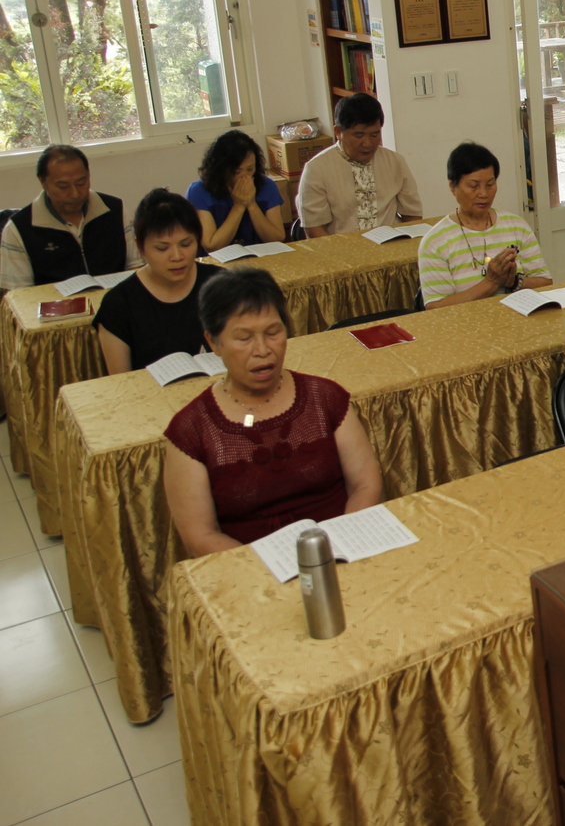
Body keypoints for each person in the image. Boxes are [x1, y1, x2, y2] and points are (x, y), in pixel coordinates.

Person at [162, 267, 382, 555]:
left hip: (340, 549)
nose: (263, 349)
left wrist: (335, 549)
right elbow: (199, 535)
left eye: (273, 332)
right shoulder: (191, 430)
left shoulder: (325, 398)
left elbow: (366, 484)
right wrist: (267, 567)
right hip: (252, 569)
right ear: (213, 342)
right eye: (244, 338)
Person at [96, 190, 224, 373]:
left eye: (186, 244)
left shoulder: (221, 285)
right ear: (140, 247)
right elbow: (122, 381)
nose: (177, 256)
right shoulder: (118, 304)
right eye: (162, 248)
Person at [419, 142, 552, 309]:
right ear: (452, 187)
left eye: (490, 184)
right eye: (473, 186)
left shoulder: (517, 226)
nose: (483, 194)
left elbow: (545, 283)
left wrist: (513, 282)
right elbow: (436, 308)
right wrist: (491, 283)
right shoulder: (435, 242)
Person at [0, 144, 139, 290]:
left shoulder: (115, 210)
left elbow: (137, 269)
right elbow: (18, 295)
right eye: (63, 186)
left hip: (115, 301)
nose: (75, 194)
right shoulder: (19, 229)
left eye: (81, 183)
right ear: (42, 182)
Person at [296, 92, 424, 236]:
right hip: (342, 247)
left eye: (375, 135)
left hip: (392, 244)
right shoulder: (316, 169)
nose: (368, 143)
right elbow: (314, 227)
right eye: (359, 135)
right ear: (338, 132)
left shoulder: (395, 161)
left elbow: (412, 215)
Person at [187, 130, 287, 251]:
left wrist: (252, 204)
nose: (245, 177)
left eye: (250, 169)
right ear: (220, 169)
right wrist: (238, 206)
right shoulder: (198, 191)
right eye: (236, 172)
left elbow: (277, 239)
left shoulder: (267, 186)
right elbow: (211, 246)